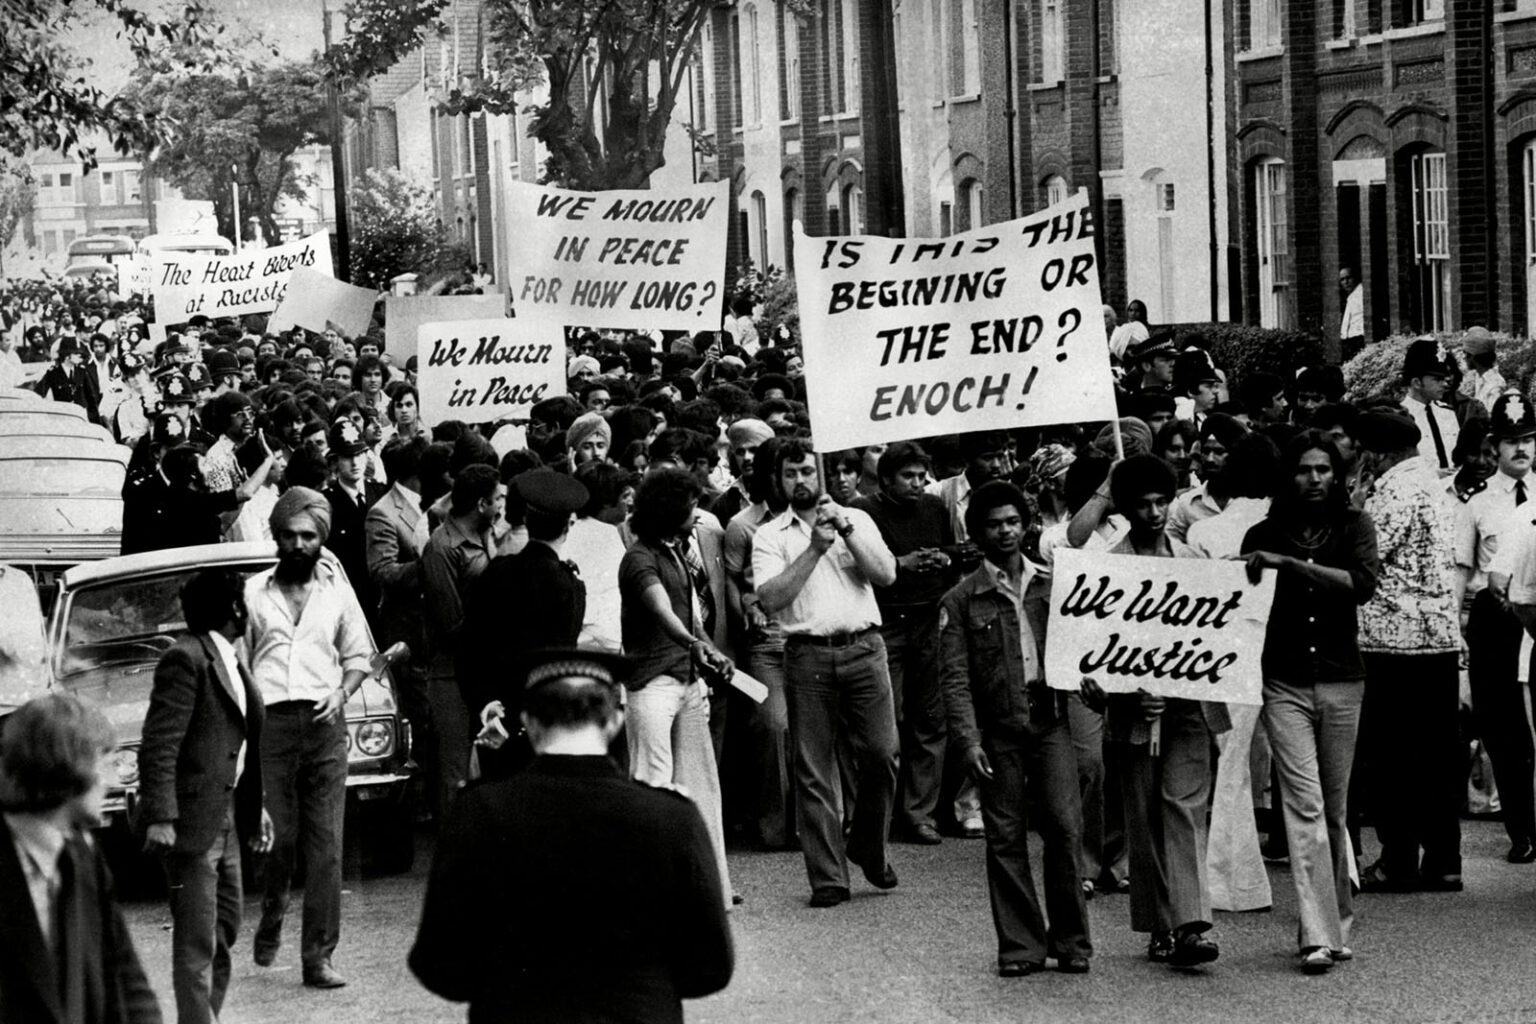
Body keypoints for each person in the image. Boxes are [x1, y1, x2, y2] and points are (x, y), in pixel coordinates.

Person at [409, 649, 733, 1022]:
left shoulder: (479, 813)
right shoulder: (671, 816)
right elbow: (711, 966)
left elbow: (439, 964)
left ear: (529, 723)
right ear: (614, 722)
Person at [1082, 454, 1229, 970]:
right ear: (1123, 509)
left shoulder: (1194, 562)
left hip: (1189, 710)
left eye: (1161, 502)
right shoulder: (1107, 567)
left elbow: (1216, 643)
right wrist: (1125, 693)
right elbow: (1089, 665)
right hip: (1134, 716)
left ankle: (1191, 925)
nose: (1154, 512)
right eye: (1142, 504)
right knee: (1144, 818)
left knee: (1182, 808)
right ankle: (1160, 924)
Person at [939, 480, 1091, 976]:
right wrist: (966, 739)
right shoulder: (961, 599)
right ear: (977, 531)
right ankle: (1021, 947)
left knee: (1065, 830)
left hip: (1050, 721)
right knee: (1004, 837)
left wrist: (1094, 684)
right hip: (998, 729)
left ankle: (1071, 942)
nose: (1004, 531)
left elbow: (1085, 651)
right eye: (993, 523)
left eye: (1011, 521)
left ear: (1026, 525)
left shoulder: (1053, 583)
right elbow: (954, 677)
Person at [1243, 431, 1379, 973]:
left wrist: (1292, 566)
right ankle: (1317, 934)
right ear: (1289, 476)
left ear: (1339, 475)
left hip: (1344, 680)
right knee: (1304, 804)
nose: (1316, 478)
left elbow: (1361, 584)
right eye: (1304, 469)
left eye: (1325, 468)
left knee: (1336, 807)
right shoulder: (1262, 534)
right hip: (1284, 683)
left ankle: (1335, 923)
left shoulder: (1354, 527)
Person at [753, 439, 900, 907]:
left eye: (807, 471)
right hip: (807, 655)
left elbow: (886, 575)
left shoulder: (858, 518)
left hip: (863, 647)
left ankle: (868, 847)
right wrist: (814, 549)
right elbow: (772, 599)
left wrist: (846, 530)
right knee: (813, 768)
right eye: (791, 473)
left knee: (883, 754)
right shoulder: (770, 535)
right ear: (778, 480)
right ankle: (828, 877)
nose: (801, 480)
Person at [244, 487, 375, 989]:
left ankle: (318, 957)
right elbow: (241, 660)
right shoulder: (254, 593)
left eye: (308, 536)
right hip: (272, 728)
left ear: (320, 539)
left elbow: (359, 656)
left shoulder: (336, 593)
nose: (298, 544)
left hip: (324, 728)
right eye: (289, 536)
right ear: (276, 538)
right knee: (279, 841)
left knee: (327, 846)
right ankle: (273, 914)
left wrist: (342, 694)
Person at [140, 570, 275, 1024]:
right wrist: (161, 817)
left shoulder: (232, 660)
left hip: (230, 817)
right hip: (192, 824)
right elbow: (160, 744)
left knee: (226, 926)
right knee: (197, 940)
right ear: (235, 609)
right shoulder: (185, 659)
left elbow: (242, 745)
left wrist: (257, 812)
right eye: (245, 601)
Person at [1351, 410, 1463, 894]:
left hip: (1391, 640)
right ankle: (1444, 859)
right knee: (1437, 755)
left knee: (1393, 756)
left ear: (1377, 451)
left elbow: (1365, 554)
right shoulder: (1436, 487)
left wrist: (1356, 503)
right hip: (1438, 636)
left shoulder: (1392, 491)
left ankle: (1397, 860)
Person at [0, 694, 162, 1024]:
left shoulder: (82, 854)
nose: (108, 781)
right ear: (68, 765)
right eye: (103, 764)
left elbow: (124, 971)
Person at [619, 467, 734, 904]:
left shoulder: (674, 552)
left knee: (702, 785)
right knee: (652, 784)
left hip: (685, 681)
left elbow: (691, 619)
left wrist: (709, 649)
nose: (697, 512)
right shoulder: (638, 558)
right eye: (690, 506)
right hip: (651, 685)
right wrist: (693, 643)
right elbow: (661, 610)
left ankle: (710, 887)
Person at [853, 441, 958, 845]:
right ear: (885, 479)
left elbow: (951, 550)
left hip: (930, 619)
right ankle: (883, 812)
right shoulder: (864, 512)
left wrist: (943, 558)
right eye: (908, 477)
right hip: (887, 623)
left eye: (921, 476)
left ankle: (920, 814)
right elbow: (863, 564)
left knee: (931, 719)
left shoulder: (933, 507)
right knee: (887, 722)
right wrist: (903, 562)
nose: (918, 484)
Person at [459, 469, 589, 780]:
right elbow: (556, 663)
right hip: (538, 726)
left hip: (491, 718)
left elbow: (470, 648)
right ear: (570, 523)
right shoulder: (567, 584)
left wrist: (487, 705)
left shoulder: (496, 572)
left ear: (527, 521)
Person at [1456, 392, 1536, 865]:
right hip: (1495, 619)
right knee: (1505, 731)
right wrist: (1457, 631)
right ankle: (1522, 831)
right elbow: (1460, 571)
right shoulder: (1477, 502)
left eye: (1528, 439)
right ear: (1495, 446)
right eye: (1511, 441)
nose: (1520, 449)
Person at [420, 464, 509, 812]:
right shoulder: (441, 548)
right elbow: (452, 622)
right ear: (481, 504)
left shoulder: (485, 535)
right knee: (457, 774)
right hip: (452, 675)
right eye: (497, 499)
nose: (502, 506)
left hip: (481, 669)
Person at [1399, 337, 1460, 476]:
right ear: (1416, 382)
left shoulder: (1447, 413)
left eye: (1444, 378)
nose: (1445, 384)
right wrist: (1433, 475)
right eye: (1437, 379)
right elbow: (1402, 469)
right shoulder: (1402, 418)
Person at [1338, 266, 1365, 362]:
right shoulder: (1351, 296)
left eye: (1348, 278)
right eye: (1342, 280)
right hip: (1350, 340)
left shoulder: (1362, 294)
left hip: (1359, 338)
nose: (1346, 282)